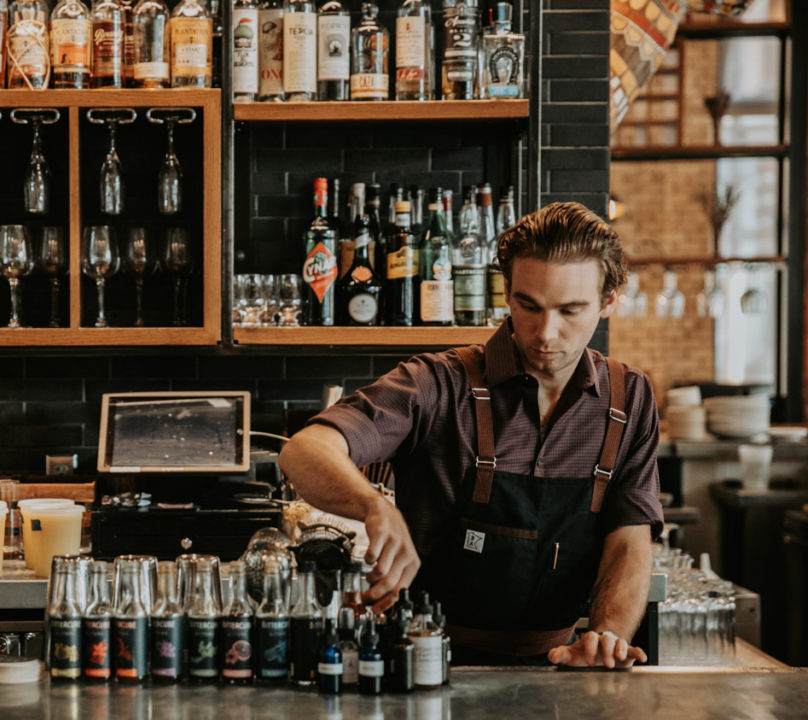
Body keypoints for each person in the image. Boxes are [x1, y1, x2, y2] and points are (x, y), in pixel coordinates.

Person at [278, 202, 663, 669]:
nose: (546, 332)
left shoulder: (628, 398)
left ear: (609, 301)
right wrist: (373, 506)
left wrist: (606, 636)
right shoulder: (437, 383)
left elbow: (629, 539)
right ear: (506, 291)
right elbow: (304, 451)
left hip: (565, 669)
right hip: (429, 664)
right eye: (529, 306)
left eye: (571, 310)